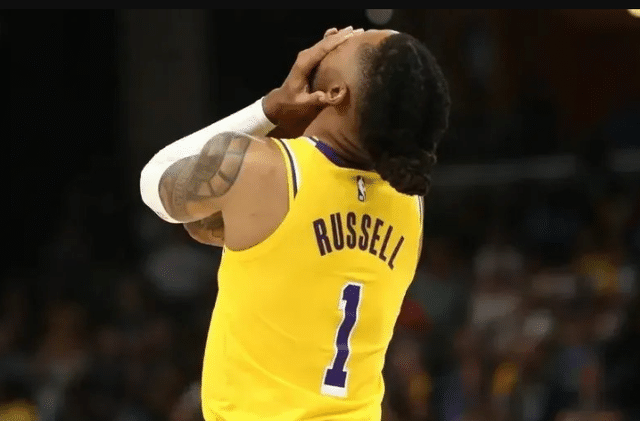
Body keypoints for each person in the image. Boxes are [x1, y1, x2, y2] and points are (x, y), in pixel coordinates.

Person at [140, 25, 451, 421]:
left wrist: (268, 110)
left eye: (355, 39)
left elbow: (155, 181)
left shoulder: (262, 169)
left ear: (336, 92)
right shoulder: (411, 205)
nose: (339, 35)